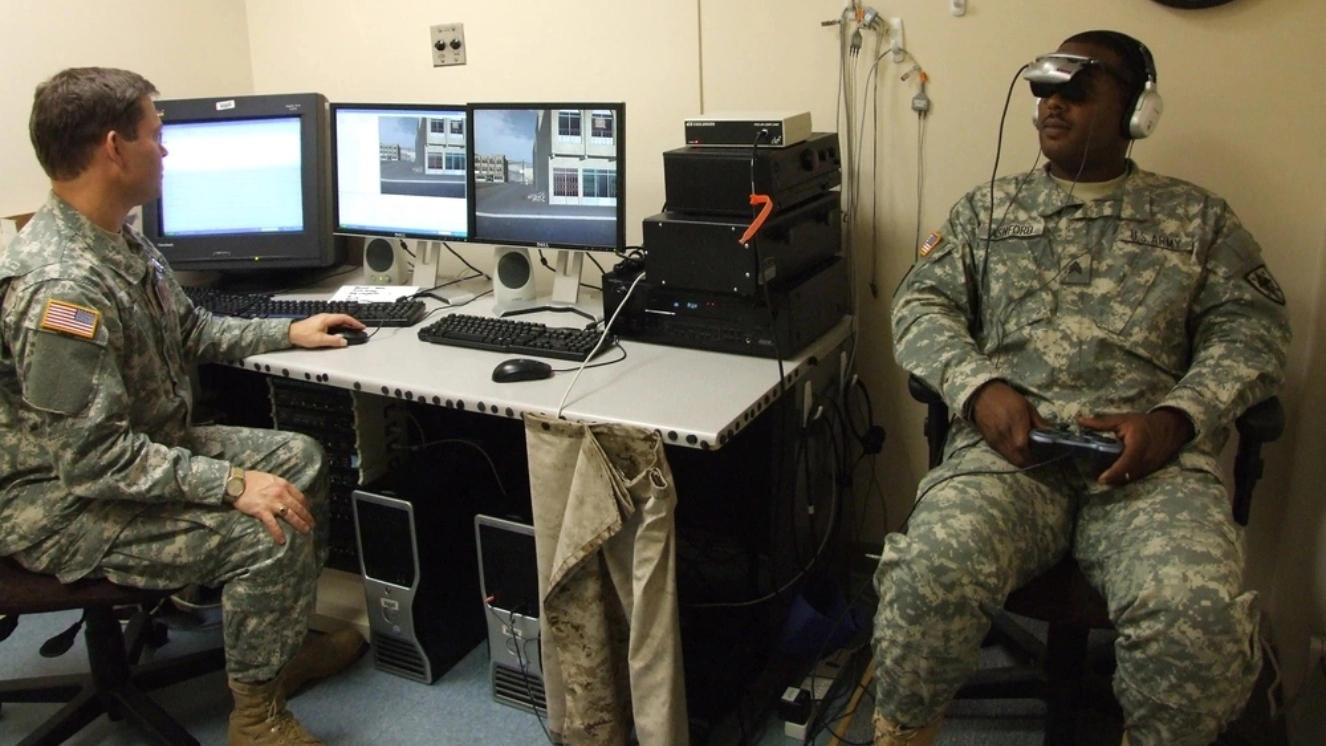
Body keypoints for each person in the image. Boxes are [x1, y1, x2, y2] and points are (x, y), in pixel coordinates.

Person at [874, 31, 1290, 746]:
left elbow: (1252, 333)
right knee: (927, 569)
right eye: (1043, 89)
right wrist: (978, 389)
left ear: (1136, 111)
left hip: (1145, 469)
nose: (1052, 104)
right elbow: (919, 306)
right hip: (1010, 458)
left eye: (1077, 89)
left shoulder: (1197, 219)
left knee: (1198, 615)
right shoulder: (988, 213)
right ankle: (902, 732)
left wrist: (1176, 418)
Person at [0, 67, 369, 746]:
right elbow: (92, 462)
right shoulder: (61, 290)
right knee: (266, 526)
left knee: (300, 457)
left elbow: (190, 330)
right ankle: (257, 718)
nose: (166, 151)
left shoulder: (117, 236)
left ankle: (273, 658)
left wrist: (287, 331)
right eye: (156, 133)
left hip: (139, 455)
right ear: (115, 147)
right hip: (60, 504)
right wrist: (232, 485)